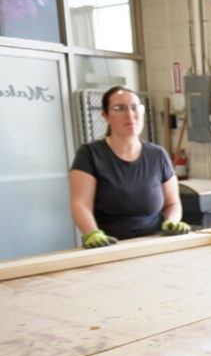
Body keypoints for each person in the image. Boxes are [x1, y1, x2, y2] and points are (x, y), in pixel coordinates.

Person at [69, 85, 190, 248]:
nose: (130, 115)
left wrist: (171, 222)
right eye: (119, 108)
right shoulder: (90, 154)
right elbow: (81, 204)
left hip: (155, 243)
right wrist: (92, 233)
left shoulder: (158, 155)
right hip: (109, 245)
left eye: (135, 108)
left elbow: (172, 203)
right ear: (105, 115)